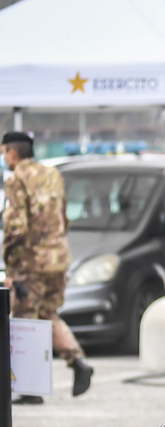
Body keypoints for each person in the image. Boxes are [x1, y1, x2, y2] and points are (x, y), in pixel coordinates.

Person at [2, 130, 93, 402]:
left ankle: (30, 390)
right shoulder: (53, 175)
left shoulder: (16, 179)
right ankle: (77, 360)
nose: (4, 158)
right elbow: (64, 217)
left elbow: (16, 228)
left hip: (31, 263)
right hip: (58, 259)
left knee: (24, 320)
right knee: (47, 313)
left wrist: (10, 267)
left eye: (3, 153)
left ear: (12, 153)